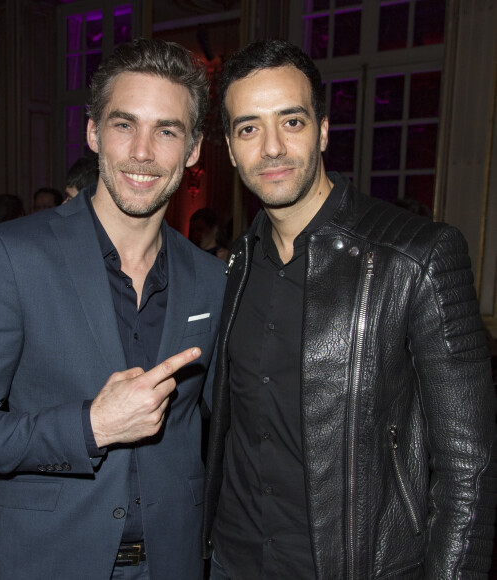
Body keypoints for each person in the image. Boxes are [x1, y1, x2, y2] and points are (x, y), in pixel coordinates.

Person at [0, 38, 226, 580]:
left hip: (172, 561)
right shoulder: (14, 254)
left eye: (166, 130)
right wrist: (90, 426)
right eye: (123, 124)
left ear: (194, 148)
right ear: (93, 133)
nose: (142, 151)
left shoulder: (210, 279)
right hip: (49, 560)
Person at [202, 39, 496, 579]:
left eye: (290, 122)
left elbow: (469, 468)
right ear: (229, 145)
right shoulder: (239, 263)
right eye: (249, 128)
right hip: (232, 561)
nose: (270, 147)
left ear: (323, 130)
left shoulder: (416, 256)